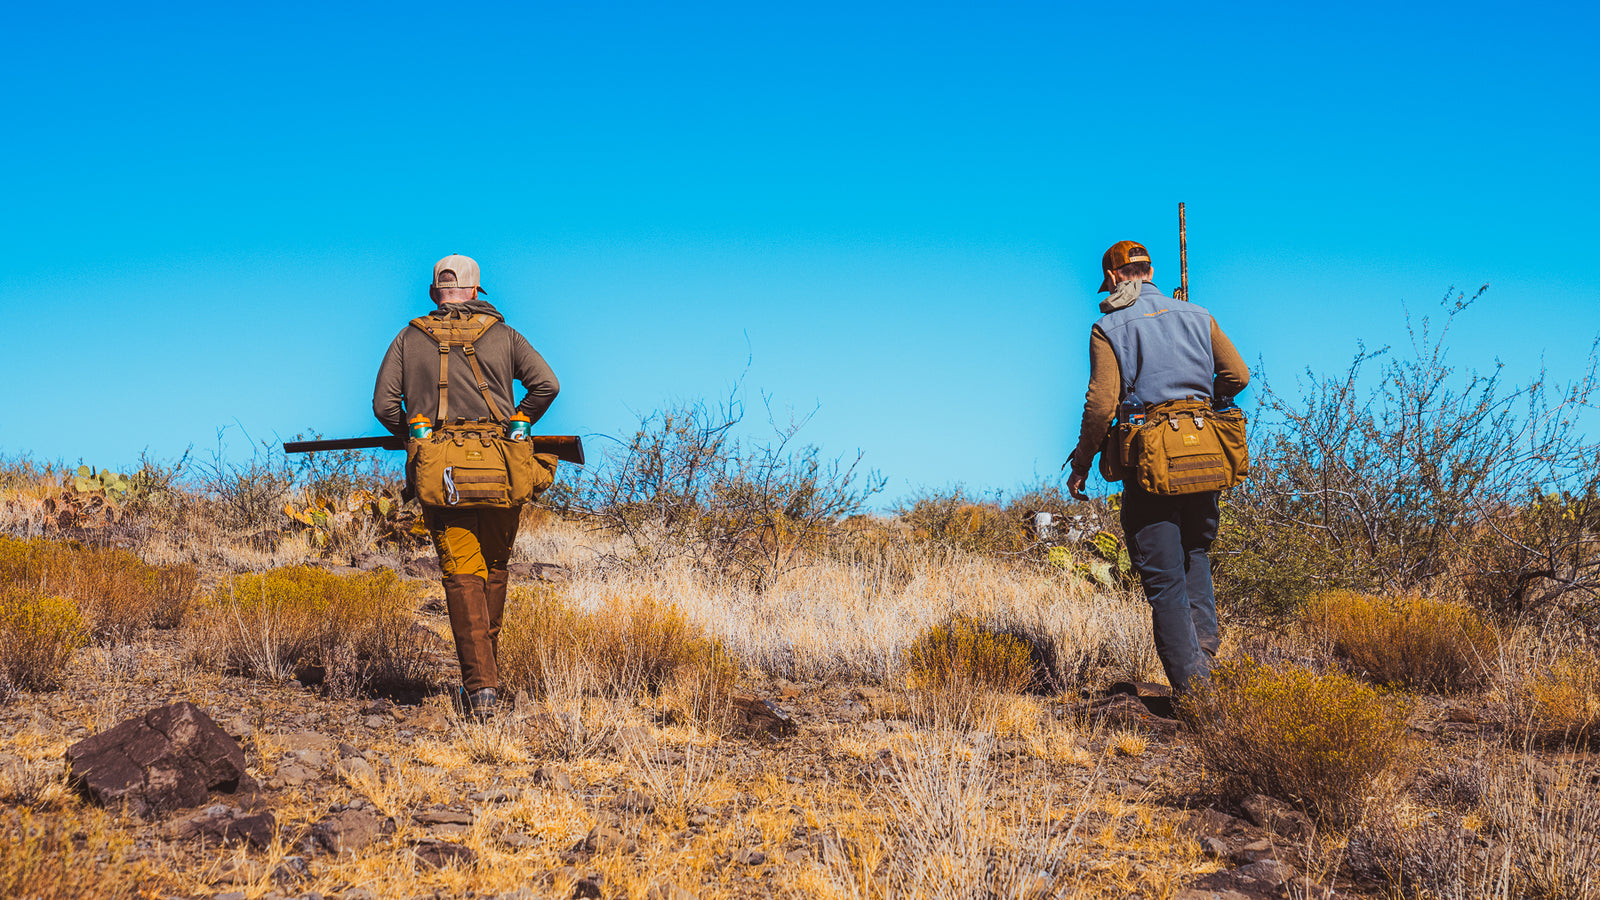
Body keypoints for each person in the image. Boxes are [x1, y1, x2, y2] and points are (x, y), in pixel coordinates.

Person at [373, 254, 560, 718]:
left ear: (436, 293)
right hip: (501, 466)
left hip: (442, 472)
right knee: (494, 568)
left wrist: (416, 437)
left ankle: (481, 690)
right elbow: (547, 386)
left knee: (461, 573)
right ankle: (486, 683)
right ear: (478, 292)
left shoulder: (408, 337)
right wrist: (519, 421)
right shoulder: (505, 334)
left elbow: (382, 404)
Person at [1065, 240, 1250, 695]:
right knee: (1195, 556)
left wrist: (1083, 459)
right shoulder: (1197, 315)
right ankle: (1206, 664)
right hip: (1205, 452)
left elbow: (1101, 404)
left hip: (1152, 461)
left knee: (1164, 577)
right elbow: (1238, 376)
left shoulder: (1108, 326)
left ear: (1112, 278)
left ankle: (1196, 694)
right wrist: (1199, 399)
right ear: (1148, 272)